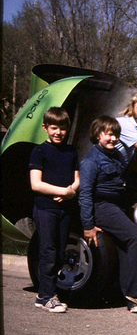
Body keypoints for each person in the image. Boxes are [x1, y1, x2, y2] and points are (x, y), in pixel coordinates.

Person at [78, 116, 137, 314]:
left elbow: (129, 173)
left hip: (116, 204)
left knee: (125, 247)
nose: (113, 139)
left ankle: (132, 299)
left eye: (116, 135)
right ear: (97, 135)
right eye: (108, 134)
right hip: (102, 206)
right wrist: (88, 226)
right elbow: (85, 195)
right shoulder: (91, 161)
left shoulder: (115, 155)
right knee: (134, 237)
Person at [29, 107, 79, 313]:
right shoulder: (39, 151)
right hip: (45, 209)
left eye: (62, 128)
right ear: (45, 128)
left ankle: (45, 295)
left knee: (59, 252)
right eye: (53, 127)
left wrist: (71, 192)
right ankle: (47, 296)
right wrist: (63, 191)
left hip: (64, 210)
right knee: (48, 252)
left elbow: (77, 180)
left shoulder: (71, 151)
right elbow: (36, 184)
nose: (58, 132)